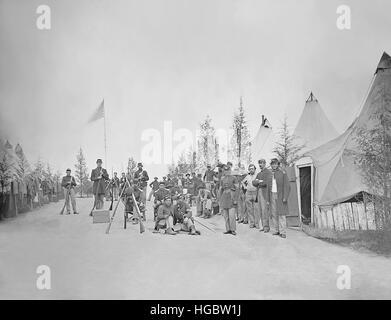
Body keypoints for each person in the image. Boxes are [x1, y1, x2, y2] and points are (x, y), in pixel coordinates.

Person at [269, 158, 290, 239]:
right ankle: (276, 230)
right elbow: (268, 186)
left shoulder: (282, 173)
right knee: (274, 213)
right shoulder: (270, 173)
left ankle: (283, 232)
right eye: (272, 164)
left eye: (275, 164)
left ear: (278, 164)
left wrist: (285, 196)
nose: (274, 165)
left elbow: (287, 185)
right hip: (272, 195)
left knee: (281, 214)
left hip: (280, 195)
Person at [253, 159, 272, 233]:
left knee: (265, 211)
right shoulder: (259, 173)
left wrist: (259, 182)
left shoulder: (268, 172)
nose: (260, 165)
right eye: (259, 163)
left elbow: (267, 183)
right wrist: (258, 182)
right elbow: (254, 183)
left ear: (265, 163)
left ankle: (266, 227)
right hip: (259, 192)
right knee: (260, 210)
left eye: (261, 163)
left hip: (265, 193)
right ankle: (263, 226)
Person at [219, 164, 238, 235]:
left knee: (232, 215)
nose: (227, 172)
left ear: (230, 170)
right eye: (225, 170)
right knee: (226, 215)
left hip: (231, 195)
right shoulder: (222, 178)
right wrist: (220, 199)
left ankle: (233, 229)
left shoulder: (234, 178)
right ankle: (228, 229)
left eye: (228, 170)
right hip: (224, 196)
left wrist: (236, 199)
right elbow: (220, 189)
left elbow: (237, 189)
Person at [242, 164, 260, 229]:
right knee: (250, 209)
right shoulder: (247, 176)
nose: (251, 170)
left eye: (252, 169)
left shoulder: (257, 175)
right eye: (250, 169)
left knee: (256, 209)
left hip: (255, 193)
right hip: (248, 193)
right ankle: (252, 223)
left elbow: (260, 182)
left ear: (255, 169)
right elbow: (242, 182)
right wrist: (245, 187)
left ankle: (257, 224)